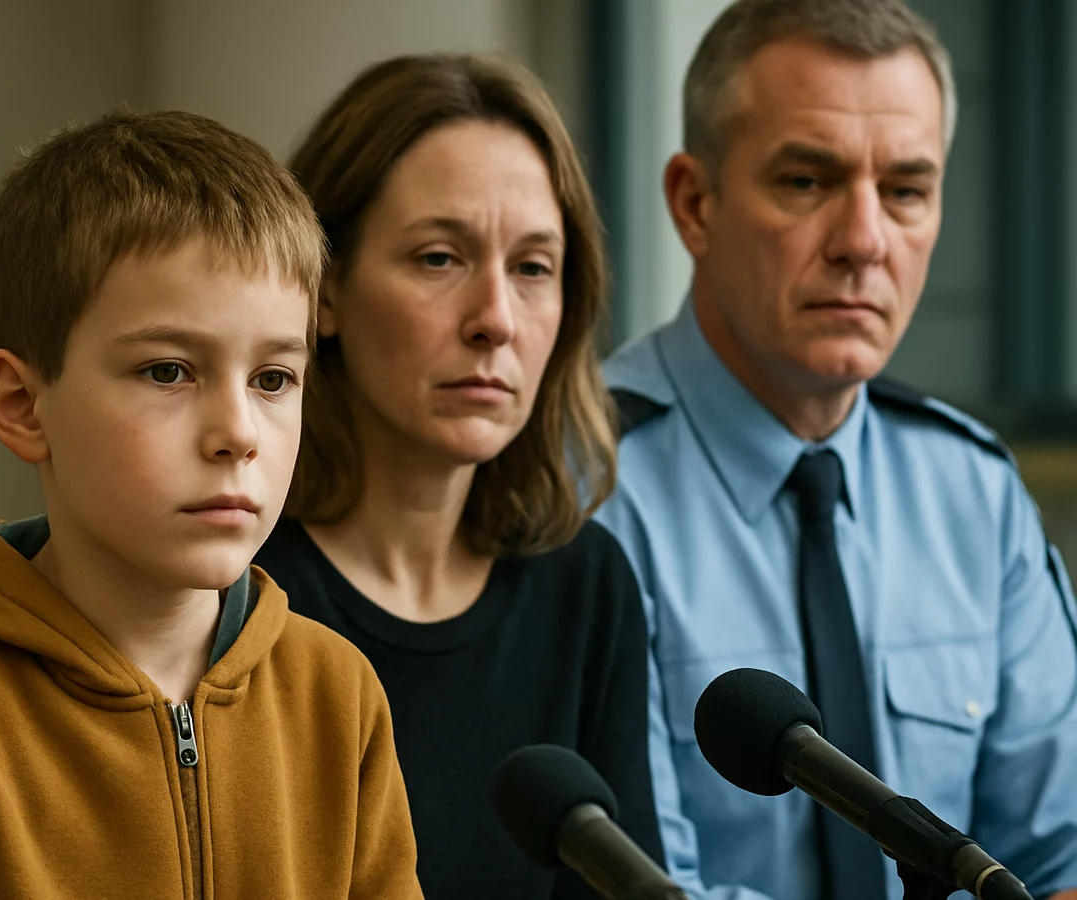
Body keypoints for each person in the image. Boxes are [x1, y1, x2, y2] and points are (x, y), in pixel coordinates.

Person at [0, 110, 422, 899]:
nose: (238, 432)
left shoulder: (339, 696)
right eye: (168, 372)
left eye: (273, 379)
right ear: (23, 405)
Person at [595, 1, 1077, 899]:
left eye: (905, 190)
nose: (864, 241)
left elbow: (1061, 858)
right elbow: (628, 885)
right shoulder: (581, 489)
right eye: (807, 181)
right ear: (695, 204)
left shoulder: (972, 493)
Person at [253, 54, 662, 899]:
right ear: (323, 291)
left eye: (533, 267)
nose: (495, 320)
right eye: (440, 258)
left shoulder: (585, 587)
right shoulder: (232, 586)